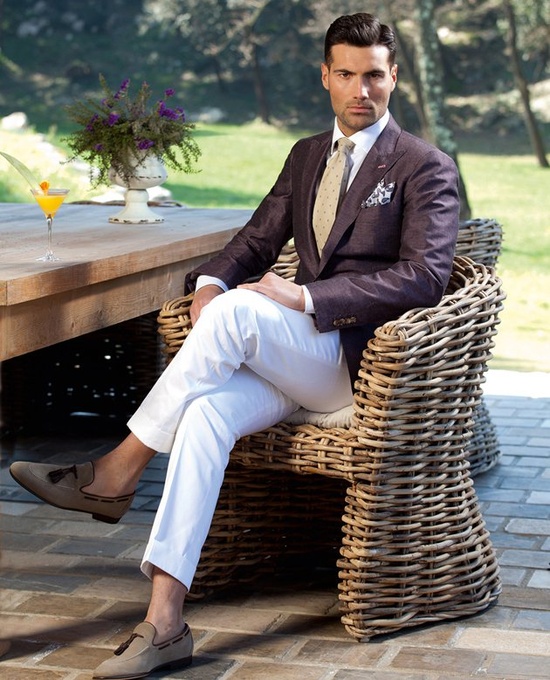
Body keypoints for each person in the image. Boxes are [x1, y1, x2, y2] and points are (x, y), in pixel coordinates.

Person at [10, 12, 460, 680]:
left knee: (242, 312)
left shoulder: (425, 165)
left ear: (394, 76)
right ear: (326, 77)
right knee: (203, 412)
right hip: (294, 361)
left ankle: (118, 471)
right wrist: (212, 281)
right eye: (346, 74)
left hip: (358, 364)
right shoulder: (308, 154)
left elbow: (424, 276)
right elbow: (257, 236)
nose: (361, 90)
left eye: (374, 75)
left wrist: (305, 298)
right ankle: (165, 622)